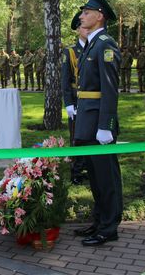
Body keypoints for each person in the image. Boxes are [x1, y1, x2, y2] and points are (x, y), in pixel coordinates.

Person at [73, 0, 123, 247]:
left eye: (86, 12)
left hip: (98, 124)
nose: (82, 16)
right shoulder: (91, 44)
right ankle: (100, 221)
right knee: (95, 176)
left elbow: (109, 90)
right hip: (88, 120)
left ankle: (109, 227)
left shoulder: (105, 45)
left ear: (100, 16)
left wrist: (106, 126)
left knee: (106, 177)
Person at [62, 12, 88, 185]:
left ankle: (89, 168)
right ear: (78, 30)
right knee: (77, 137)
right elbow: (65, 80)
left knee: (90, 136)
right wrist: (69, 104)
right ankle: (76, 171)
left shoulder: (95, 47)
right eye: (83, 27)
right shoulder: (71, 51)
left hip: (91, 100)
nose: (87, 30)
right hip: (76, 100)